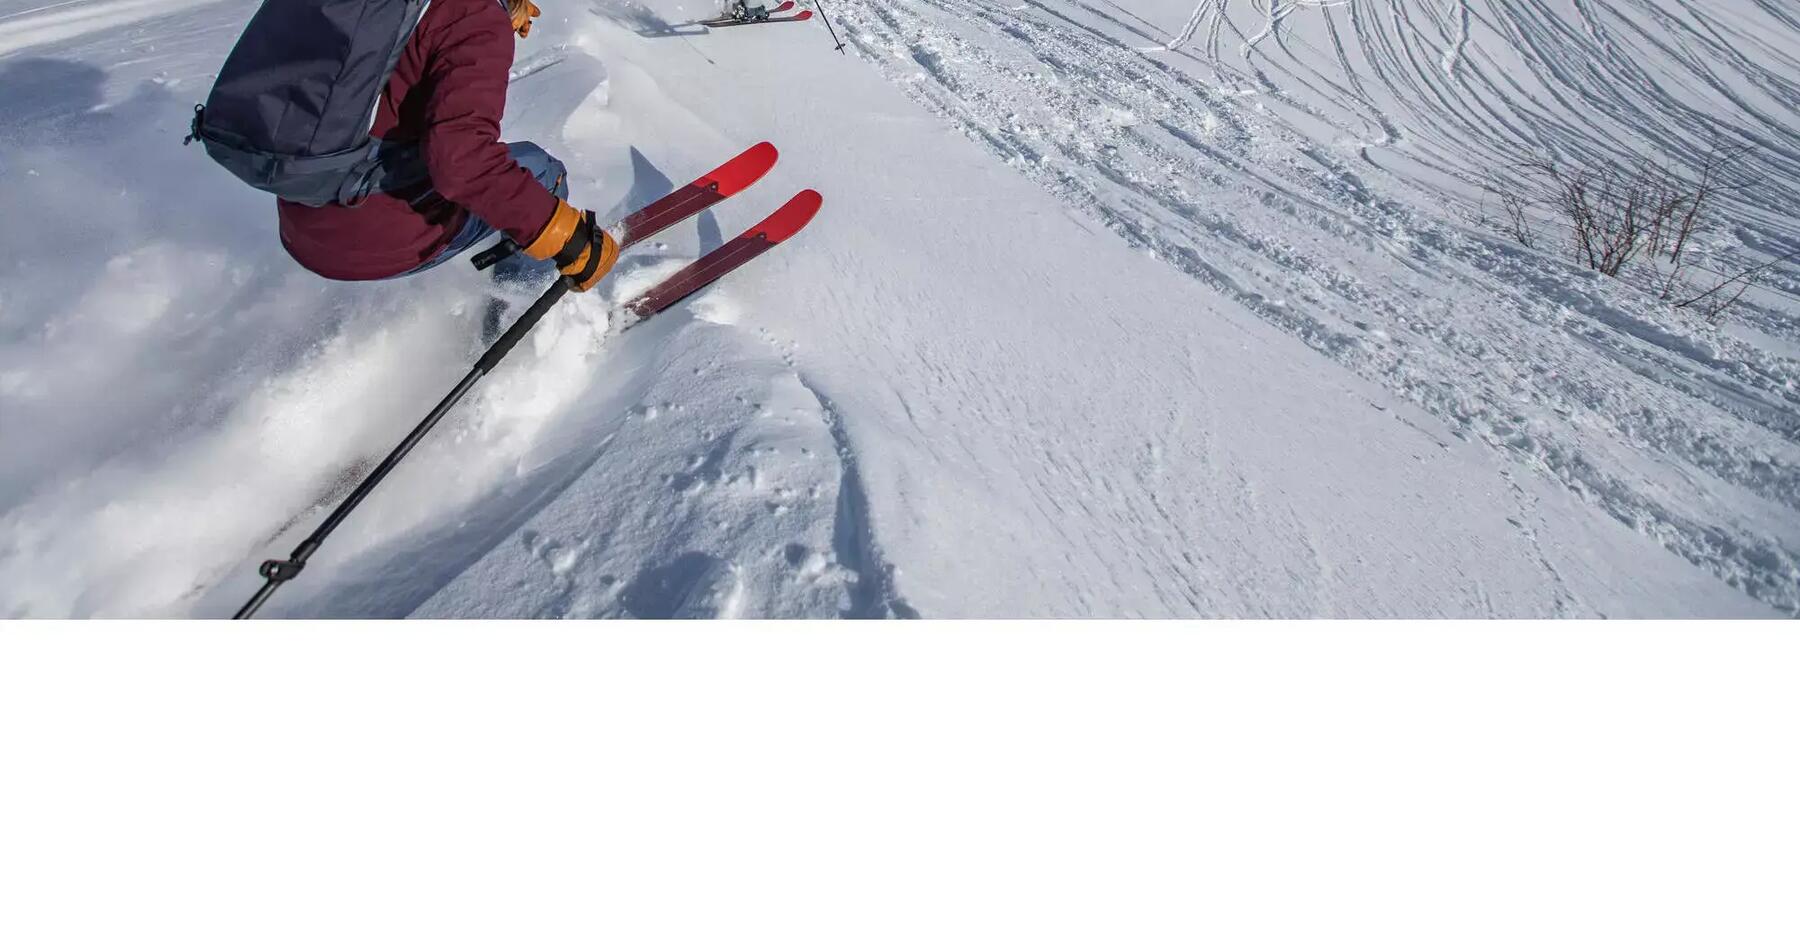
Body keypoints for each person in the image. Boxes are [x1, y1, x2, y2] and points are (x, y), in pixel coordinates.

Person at [275, 0, 616, 291]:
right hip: (370, 231)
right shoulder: (472, 16)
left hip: (301, 215)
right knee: (542, 173)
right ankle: (517, 318)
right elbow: (462, 161)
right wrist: (566, 235)